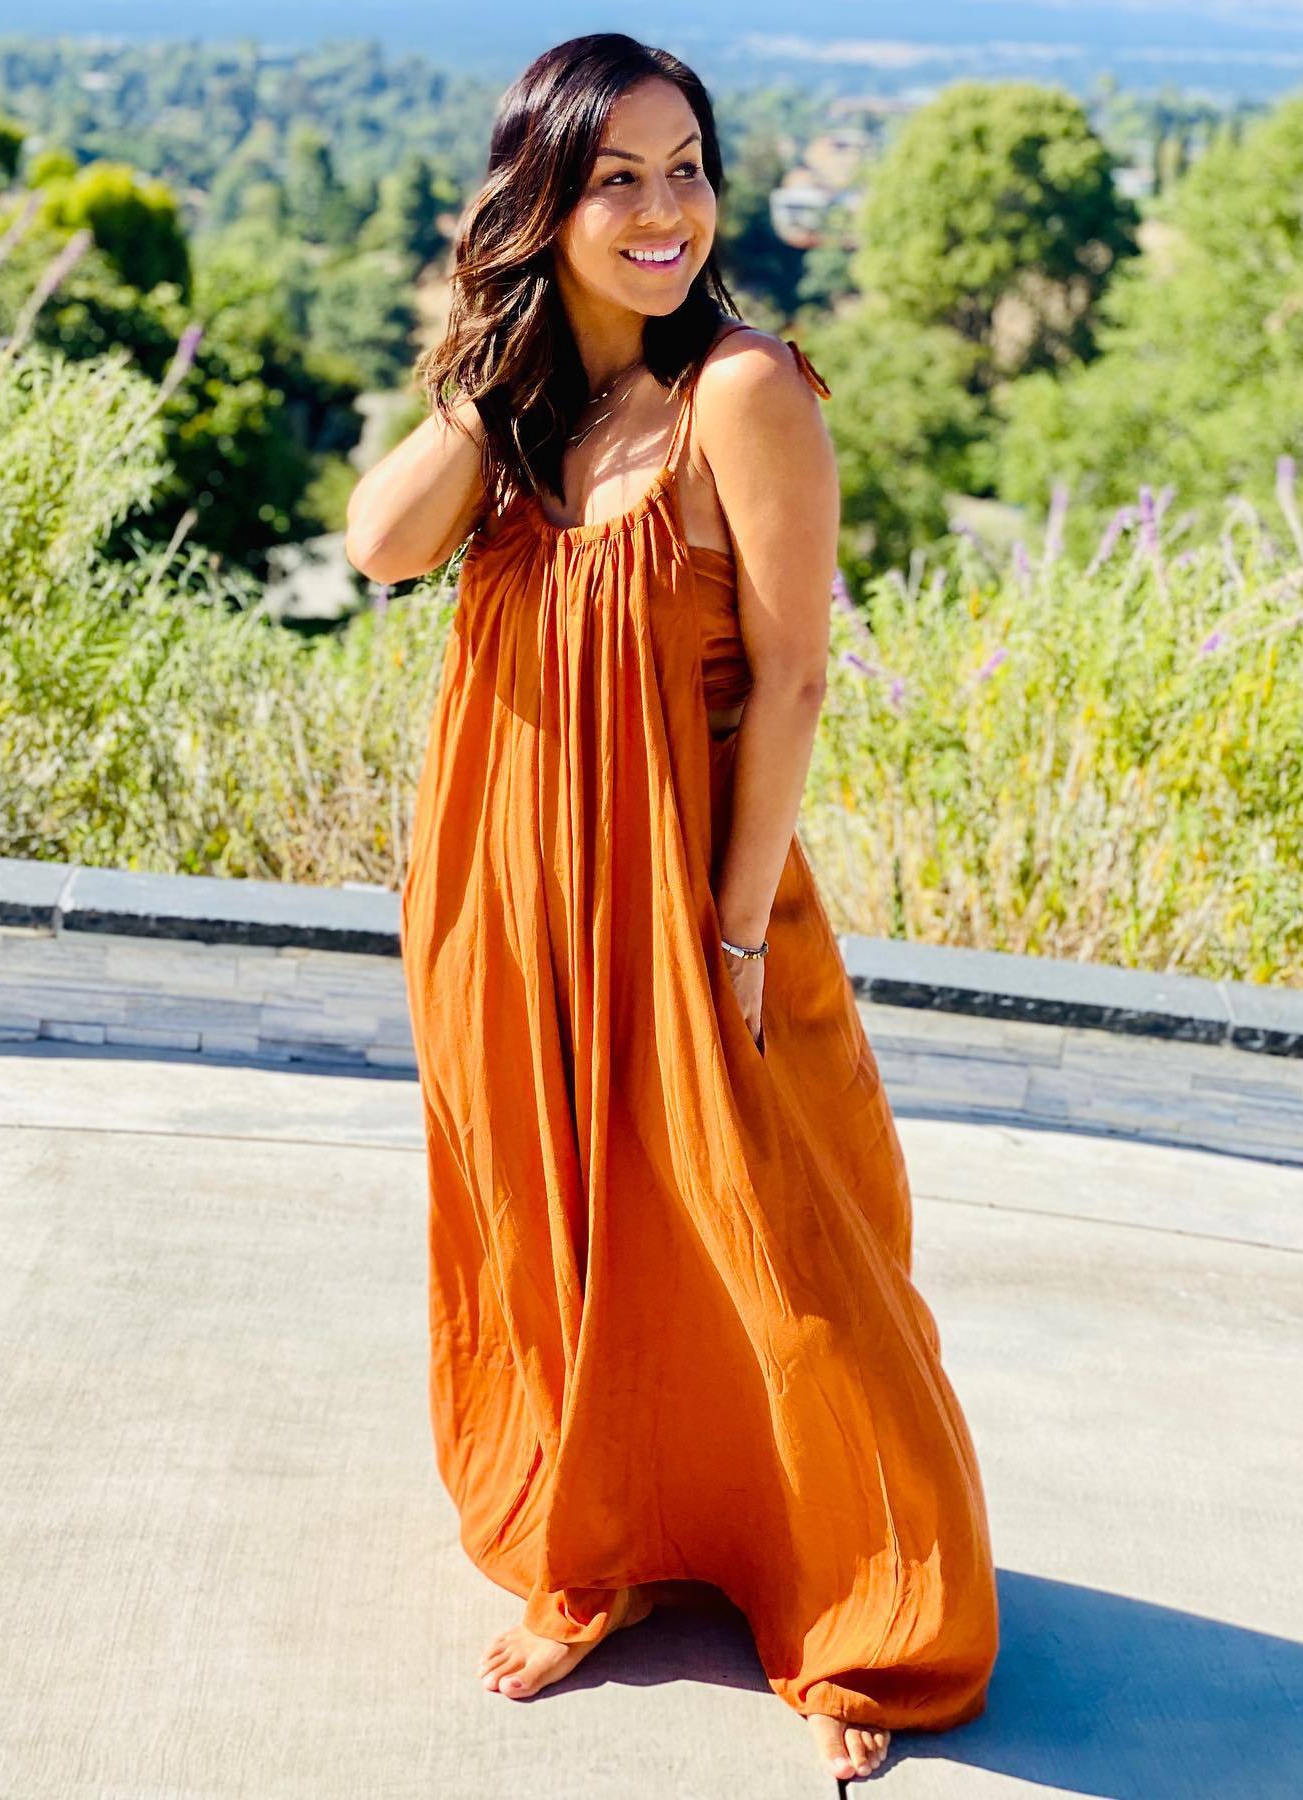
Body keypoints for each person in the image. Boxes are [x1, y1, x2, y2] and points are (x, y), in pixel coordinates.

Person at [345, 32, 999, 1786]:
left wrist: (734, 933)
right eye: (617, 176)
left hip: (689, 904)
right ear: (543, 202)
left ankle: (866, 1607)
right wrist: (493, 364)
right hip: (502, 905)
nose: (665, 209)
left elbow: (793, 683)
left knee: (790, 1263)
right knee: (555, 1243)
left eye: (687, 167)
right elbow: (377, 547)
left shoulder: (743, 391)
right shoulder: (528, 411)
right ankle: (603, 1555)